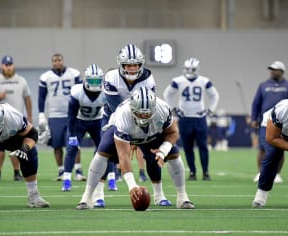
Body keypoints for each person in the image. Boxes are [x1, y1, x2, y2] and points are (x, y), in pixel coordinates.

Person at [76, 88, 194, 210]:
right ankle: (87, 197)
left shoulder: (163, 108)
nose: (143, 117)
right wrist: (132, 186)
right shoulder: (123, 114)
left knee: (173, 153)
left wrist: (163, 150)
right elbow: (124, 156)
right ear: (132, 108)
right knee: (102, 152)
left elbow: (173, 132)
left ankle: (182, 197)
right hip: (126, 132)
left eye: (147, 114)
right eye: (139, 113)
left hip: (152, 134)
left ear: (154, 109)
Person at [94, 44, 160, 207]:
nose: (132, 68)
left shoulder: (148, 79)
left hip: (142, 119)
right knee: (104, 152)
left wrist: (139, 133)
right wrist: (129, 138)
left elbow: (148, 105)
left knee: (152, 155)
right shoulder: (111, 77)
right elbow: (118, 109)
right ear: (121, 64)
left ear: (141, 64)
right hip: (113, 117)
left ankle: (160, 195)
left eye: (135, 64)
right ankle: (97, 194)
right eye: (128, 65)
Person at [163, 57, 219, 181]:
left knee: (203, 146)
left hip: (199, 117)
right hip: (185, 118)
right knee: (188, 147)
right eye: (188, 68)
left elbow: (214, 95)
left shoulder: (204, 81)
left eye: (192, 68)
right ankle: (192, 172)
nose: (190, 70)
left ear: (197, 69)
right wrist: (173, 108)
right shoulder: (178, 81)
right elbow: (167, 94)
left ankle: (205, 172)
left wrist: (210, 109)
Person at [38, 53, 85, 181]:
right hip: (54, 115)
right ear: (52, 62)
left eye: (59, 60)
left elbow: (81, 92)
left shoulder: (73, 73)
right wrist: (41, 113)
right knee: (57, 145)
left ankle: (78, 170)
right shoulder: (46, 76)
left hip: (72, 114)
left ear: (63, 61)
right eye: (55, 60)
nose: (57, 62)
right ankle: (61, 171)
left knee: (74, 143)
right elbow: (41, 96)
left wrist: (81, 110)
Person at [0, 55, 31, 182]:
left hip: (16, 120)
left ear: (13, 65)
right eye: (6, 65)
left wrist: (30, 116)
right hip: (0, 119)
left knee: (15, 147)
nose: (8, 67)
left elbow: (27, 98)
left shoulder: (21, 80)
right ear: (2, 66)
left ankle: (17, 172)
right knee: (0, 147)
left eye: (10, 65)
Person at [250, 61, 288, 183]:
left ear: (281, 71)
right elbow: (256, 103)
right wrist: (254, 118)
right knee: (262, 148)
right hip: (265, 122)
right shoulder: (263, 85)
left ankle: (276, 174)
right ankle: (261, 172)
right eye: (271, 69)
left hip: (284, 123)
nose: (272, 71)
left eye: (275, 69)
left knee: (280, 149)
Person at [62, 64, 107, 192]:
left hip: (97, 122)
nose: (94, 83)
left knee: (104, 150)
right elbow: (71, 116)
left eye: (97, 81)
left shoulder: (105, 91)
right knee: (72, 148)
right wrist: (71, 134)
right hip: (79, 122)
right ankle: (66, 180)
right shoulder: (77, 92)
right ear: (86, 79)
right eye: (91, 80)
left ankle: (107, 178)